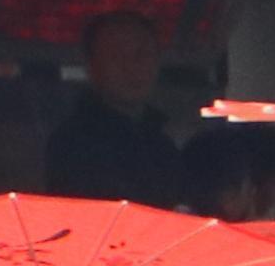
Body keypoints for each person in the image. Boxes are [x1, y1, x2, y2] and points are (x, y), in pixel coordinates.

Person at [35, 12, 194, 206]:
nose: (131, 67)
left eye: (141, 54)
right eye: (116, 56)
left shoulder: (163, 147)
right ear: (92, 67)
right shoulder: (74, 144)